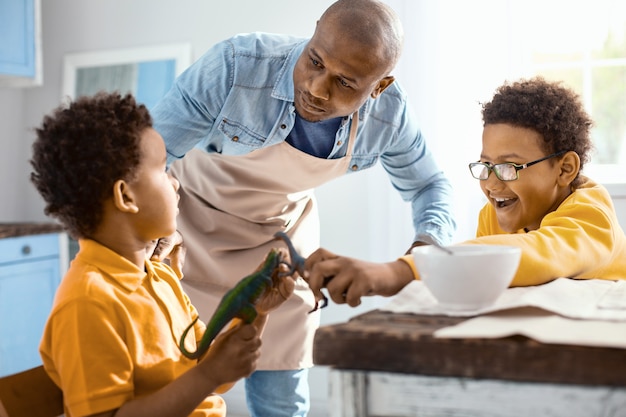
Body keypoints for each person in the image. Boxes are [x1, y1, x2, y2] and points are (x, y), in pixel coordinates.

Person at [149, 0, 456, 415]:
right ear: (313, 34)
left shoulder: (389, 116)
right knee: (175, 389)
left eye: (345, 83)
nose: (316, 88)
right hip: (188, 233)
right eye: (315, 61)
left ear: (379, 87)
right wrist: (154, 229)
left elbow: (430, 186)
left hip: (279, 250)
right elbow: (149, 155)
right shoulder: (237, 65)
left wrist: (420, 258)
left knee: (282, 399)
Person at [30, 92, 295, 417]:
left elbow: (207, 366)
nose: (176, 183)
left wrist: (256, 313)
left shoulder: (160, 276)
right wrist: (209, 374)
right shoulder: (87, 303)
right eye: (163, 169)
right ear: (125, 196)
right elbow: (206, 374)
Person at [304, 76, 626, 307]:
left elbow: (537, 252)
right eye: (486, 165)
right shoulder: (497, 215)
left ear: (565, 169)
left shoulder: (591, 215)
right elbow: (488, 277)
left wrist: (396, 271)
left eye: (509, 167)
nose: (492, 184)